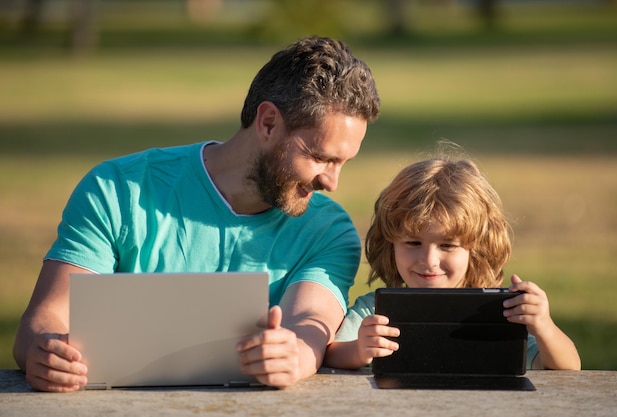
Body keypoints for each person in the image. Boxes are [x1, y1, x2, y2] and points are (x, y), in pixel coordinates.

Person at [13, 35, 381, 392]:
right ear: (268, 123)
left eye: (343, 163)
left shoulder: (328, 231)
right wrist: (43, 353)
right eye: (320, 157)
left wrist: (292, 357)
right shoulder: (119, 189)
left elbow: (308, 328)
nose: (331, 182)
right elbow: (46, 319)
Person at [324, 156, 581, 371]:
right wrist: (360, 350)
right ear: (390, 244)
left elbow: (568, 368)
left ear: (476, 249)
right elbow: (331, 354)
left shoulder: (498, 312)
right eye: (413, 243)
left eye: (447, 245)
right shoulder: (377, 310)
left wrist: (544, 326)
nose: (429, 261)